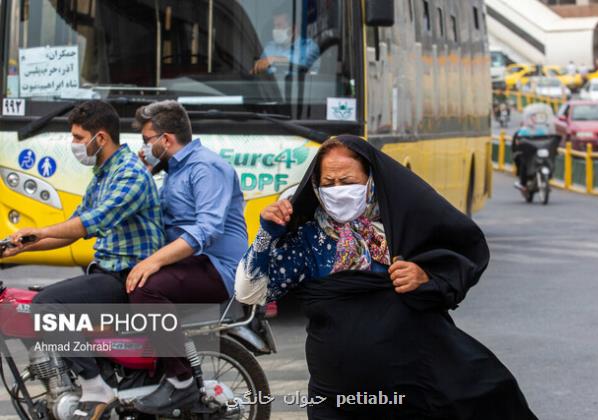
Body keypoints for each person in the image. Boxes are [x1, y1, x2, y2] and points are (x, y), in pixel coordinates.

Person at [235, 135, 538, 420]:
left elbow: (460, 257)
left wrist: (424, 275)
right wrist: (266, 235)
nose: (337, 189)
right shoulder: (308, 239)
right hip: (335, 395)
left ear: (371, 180)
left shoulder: (404, 229)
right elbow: (249, 292)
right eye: (328, 182)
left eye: (348, 181)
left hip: (408, 389)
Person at [1, 100, 165, 420]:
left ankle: (94, 385)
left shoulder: (129, 174)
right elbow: (75, 229)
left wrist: (39, 230)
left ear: (100, 138)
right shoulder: (104, 174)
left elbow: (91, 222)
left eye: (78, 137)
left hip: (129, 278)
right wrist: (18, 248)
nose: (74, 144)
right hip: (107, 272)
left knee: (47, 305)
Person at [126, 100, 248, 415]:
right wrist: (145, 169)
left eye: (146, 140)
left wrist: (153, 262)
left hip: (218, 267)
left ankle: (179, 380)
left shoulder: (205, 167)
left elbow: (207, 228)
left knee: (146, 288)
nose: (144, 147)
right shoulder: (174, 169)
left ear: (165, 140)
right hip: (193, 262)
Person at [252, 9, 320, 75]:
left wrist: (276, 59)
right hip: (271, 86)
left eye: (279, 25)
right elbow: (257, 71)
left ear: (293, 29)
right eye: (274, 26)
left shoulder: (310, 48)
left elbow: (309, 71)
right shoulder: (269, 48)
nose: (275, 29)